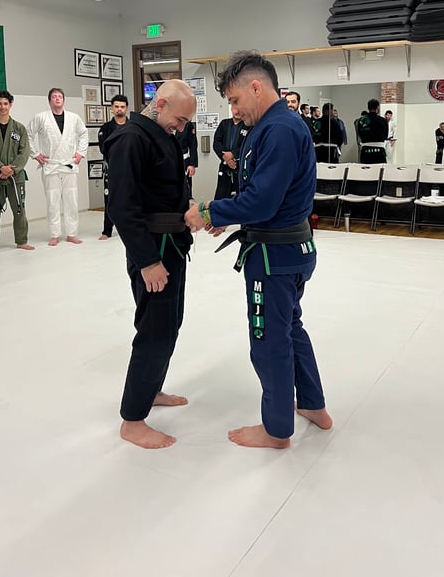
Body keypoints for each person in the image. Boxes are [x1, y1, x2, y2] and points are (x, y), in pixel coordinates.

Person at [185, 51, 332, 449]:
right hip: (288, 249)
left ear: (256, 87)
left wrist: (208, 210)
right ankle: (313, 405)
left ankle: (277, 430)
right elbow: (259, 195)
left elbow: (263, 202)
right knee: (290, 328)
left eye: (235, 100)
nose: (233, 111)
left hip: (275, 257)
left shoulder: (279, 129)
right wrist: (229, 214)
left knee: (269, 341)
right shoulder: (273, 126)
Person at [106, 79, 196, 449]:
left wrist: (189, 210)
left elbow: (166, 189)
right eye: (180, 119)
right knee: (154, 329)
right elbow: (121, 207)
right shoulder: (131, 139)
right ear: (160, 104)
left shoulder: (162, 135)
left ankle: (151, 390)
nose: (182, 127)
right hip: (153, 250)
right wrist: (147, 261)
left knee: (170, 323)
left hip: (172, 244)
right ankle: (132, 419)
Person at [27, 88, 88, 246]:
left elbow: (83, 133)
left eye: (60, 96)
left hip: (69, 164)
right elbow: (28, 134)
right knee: (52, 202)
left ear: (63, 100)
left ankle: (72, 233)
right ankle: (54, 234)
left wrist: (80, 153)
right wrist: (35, 154)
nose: (57, 99)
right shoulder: (41, 117)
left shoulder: (74, 118)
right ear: (49, 101)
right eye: (54, 97)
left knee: (71, 200)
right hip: (51, 165)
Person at [0, 90, 34, 255]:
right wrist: (0, 168)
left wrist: (11, 169)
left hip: (15, 177)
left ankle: (22, 241)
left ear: (10, 105)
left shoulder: (19, 128)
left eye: (5, 103)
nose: (2, 107)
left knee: (19, 209)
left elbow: (24, 152)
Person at [97, 94, 129, 240]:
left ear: (126, 108)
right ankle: (107, 230)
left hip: (130, 169)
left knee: (131, 199)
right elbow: (103, 148)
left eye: (122, 107)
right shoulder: (106, 128)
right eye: (116, 106)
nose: (119, 109)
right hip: (112, 169)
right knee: (109, 200)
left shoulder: (133, 126)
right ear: (112, 108)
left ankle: (130, 228)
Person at [212, 104, 249, 199]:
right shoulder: (224, 124)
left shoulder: (248, 126)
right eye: (235, 109)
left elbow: (248, 145)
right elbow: (216, 143)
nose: (237, 112)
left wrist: (233, 154)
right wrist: (227, 158)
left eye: (240, 109)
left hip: (240, 166)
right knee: (221, 195)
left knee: (240, 195)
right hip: (224, 165)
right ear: (231, 109)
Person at [356, 99, 388, 163]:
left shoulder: (361, 120)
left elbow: (359, 134)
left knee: (365, 169)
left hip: (365, 151)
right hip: (379, 151)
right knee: (380, 169)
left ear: (368, 108)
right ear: (377, 107)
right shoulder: (383, 120)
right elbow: (385, 136)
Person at [174, 120, 198, 197]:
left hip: (184, 160)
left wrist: (192, 164)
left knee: (186, 188)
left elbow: (193, 145)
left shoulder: (187, 124)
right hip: (169, 161)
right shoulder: (164, 123)